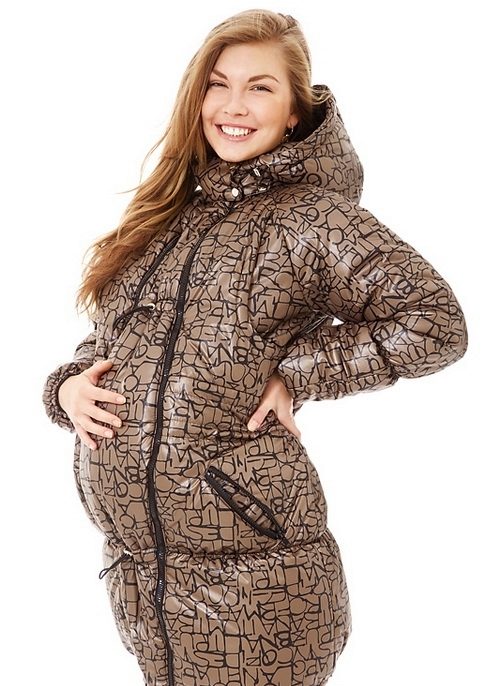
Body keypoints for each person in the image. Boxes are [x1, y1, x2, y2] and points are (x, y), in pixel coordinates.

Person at [41, 9, 468, 686]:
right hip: (146, 576)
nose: (233, 106)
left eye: (260, 87)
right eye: (218, 84)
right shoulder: (171, 214)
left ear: (295, 112)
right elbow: (112, 338)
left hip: (256, 585)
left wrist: (301, 374)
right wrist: (67, 386)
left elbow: (434, 322)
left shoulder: (312, 219)